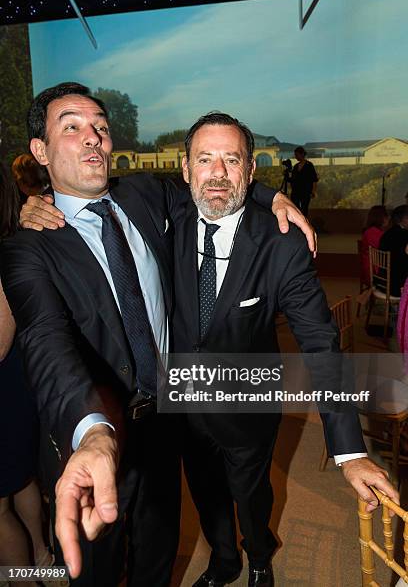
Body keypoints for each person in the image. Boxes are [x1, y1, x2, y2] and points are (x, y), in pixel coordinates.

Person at [2, 83, 314, 586]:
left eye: (101, 127)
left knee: (158, 554)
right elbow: (45, 339)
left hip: (168, 421)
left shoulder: (142, 195)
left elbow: (217, 178)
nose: (93, 139)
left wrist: (272, 193)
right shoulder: (29, 248)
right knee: (95, 568)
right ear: (40, 150)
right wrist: (93, 433)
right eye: (72, 127)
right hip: (97, 440)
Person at [171, 113, 398, 587]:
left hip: (250, 402)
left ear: (250, 171)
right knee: (206, 491)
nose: (217, 173)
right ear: (186, 168)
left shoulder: (282, 243)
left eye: (230, 160)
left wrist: (348, 449)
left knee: (251, 494)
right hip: (185, 399)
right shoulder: (164, 219)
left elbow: (320, 342)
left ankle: (257, 557)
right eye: (205, 159)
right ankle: (222, 560)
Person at [0, 161, 52, 587]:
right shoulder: (14, 238)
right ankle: (40, 551)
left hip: (6, 387)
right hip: (18, 382)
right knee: (20, 480)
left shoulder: (6, 249)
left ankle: (23, 578)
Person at [379, 204, 408, 297]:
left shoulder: (387, 233)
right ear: (404, 219)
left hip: (384, 282)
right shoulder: (404, 235)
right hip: (397, 286)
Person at [361, 205, 389, 287]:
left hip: (371, 268)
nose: (389, 218)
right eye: (386, 215)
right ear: (381, 218)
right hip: (374, 272)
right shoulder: (374, 233)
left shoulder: (370, 231)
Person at [289, 146, 318, 216]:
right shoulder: (295, 166)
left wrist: (313, 191)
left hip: (305, 192)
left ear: (302, 154)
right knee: (296, 209)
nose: (295, 157)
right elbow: (293, 180)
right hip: (295, 192)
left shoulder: (309, 165)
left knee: (304, 210)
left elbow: (314, 179)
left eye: (296, 155)